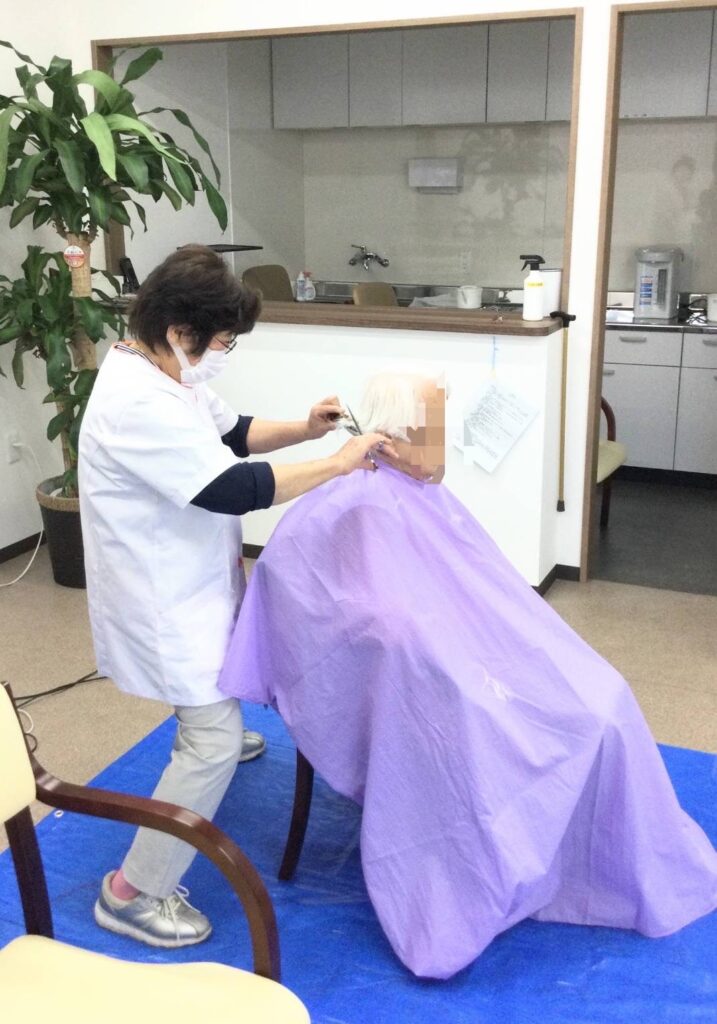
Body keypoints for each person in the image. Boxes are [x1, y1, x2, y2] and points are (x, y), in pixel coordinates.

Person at [218, 372, 717, 979]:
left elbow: (481, 589)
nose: (444, 448)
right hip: (437, 669)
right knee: (512, 726)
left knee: (606, 701)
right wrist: (432, 650)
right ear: (391, 438)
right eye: (433, 432)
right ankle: (501, 857)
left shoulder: (418, 493)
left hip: (476, 647)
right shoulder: (348, 504)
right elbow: (341, 610)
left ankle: (595, 850)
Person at [78, 246, 395, 948]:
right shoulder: (136, 401)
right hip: (158, 596)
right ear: (180, 332)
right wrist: (338, 463)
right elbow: (232, 486)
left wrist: (306, 429)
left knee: (215, 690)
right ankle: (131, 893)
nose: (224, 353)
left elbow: (234, 433)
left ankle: (207, 722)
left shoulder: (166, 371)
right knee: (213, 741)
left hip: (191, 574)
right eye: (222, 341)